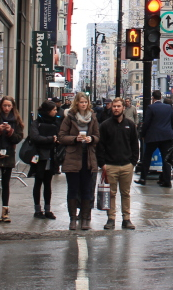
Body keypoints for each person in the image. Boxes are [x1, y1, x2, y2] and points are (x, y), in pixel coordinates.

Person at [59, 92, 100, 231]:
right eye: (81, 102)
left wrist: (91, 139)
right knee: (73, 188)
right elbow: (61, 137)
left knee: (87, 189)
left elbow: (97, 136)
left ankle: (85, 218)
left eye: (86, 102)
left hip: (88, 157)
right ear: (77, 103)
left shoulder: (93, 118)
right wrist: (74, 139)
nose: (84, 104)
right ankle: (72, 218)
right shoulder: (69, 117)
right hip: (72, 157)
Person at [96, 98, 139, 230]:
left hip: (126, 165)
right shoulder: (105, 125)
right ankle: (111, 218)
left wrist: (133, 162)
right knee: (111, 194)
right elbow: (100, 146)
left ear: (123, 108)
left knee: (125, 193)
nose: (116, 108)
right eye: (114, 106)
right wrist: (102, 163)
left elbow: (134, 145)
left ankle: (126, 218)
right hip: (110, 165)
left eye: (118, 106)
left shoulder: (130, 125)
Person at [137, 91, 173, 187]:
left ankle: (143, 178)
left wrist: (142, 134)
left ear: (153, 98)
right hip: (166, 136)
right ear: (161, 97)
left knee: (147, 157)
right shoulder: (168, 107)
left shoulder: (151, 107)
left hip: (153, 136)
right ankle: (167, 180)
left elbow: (146, 123)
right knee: (166, 159)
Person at [29, 100, 61, 219]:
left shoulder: (55, 123)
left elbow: (59, 137)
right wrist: (50, 139)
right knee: (38, 182)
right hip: (39, 157)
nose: (56, 112)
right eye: (54, 110)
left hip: (51, 156)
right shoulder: (36, 123)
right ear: (48, 111)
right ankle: (37, 209)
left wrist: (57, 141)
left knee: (48, 183)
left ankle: (47, 209)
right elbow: (35, 137)